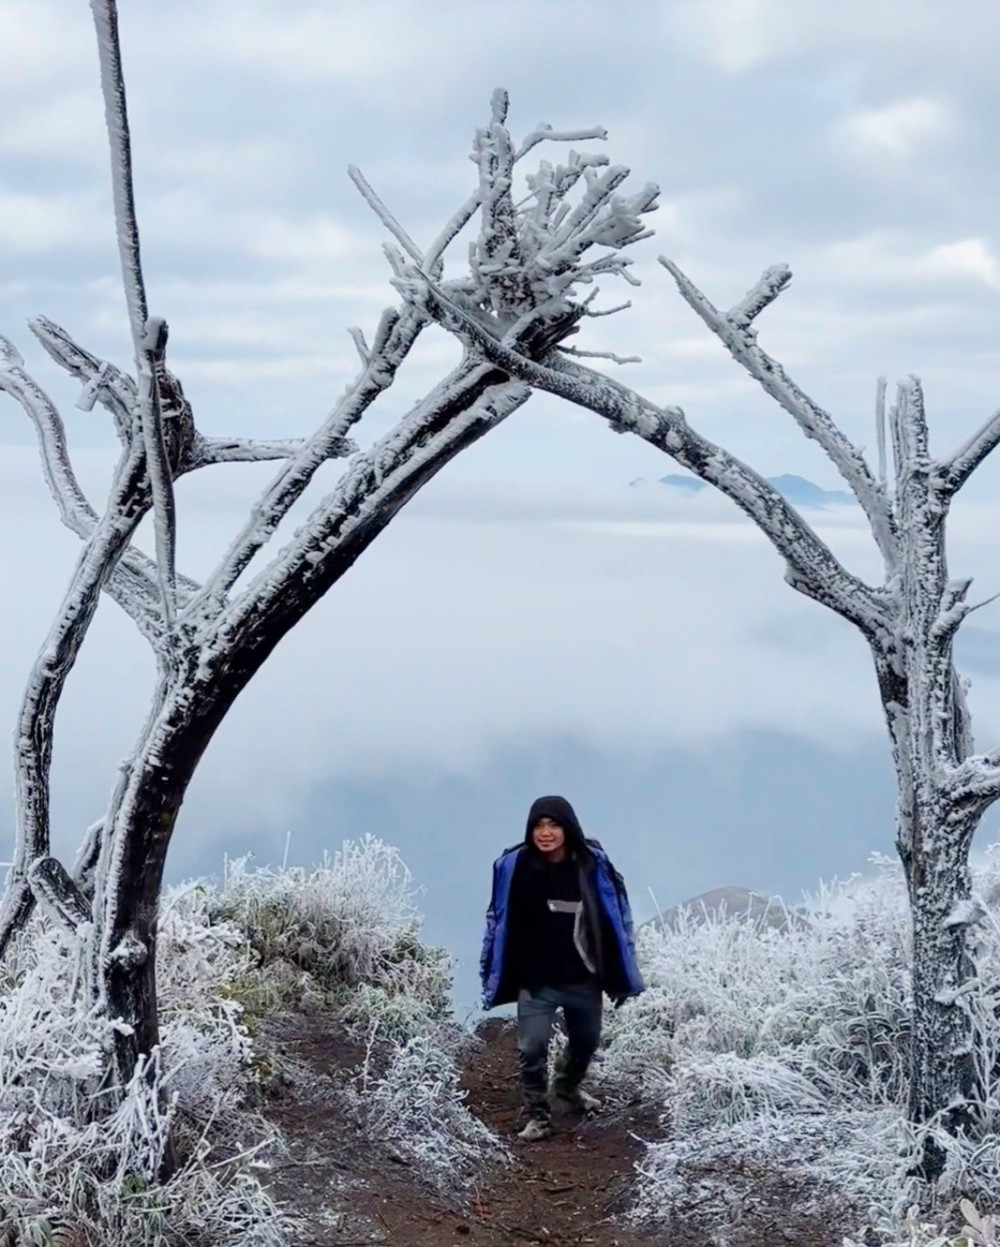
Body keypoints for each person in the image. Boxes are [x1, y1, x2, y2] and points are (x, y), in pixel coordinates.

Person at [479, 794, 644, 1141]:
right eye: (538, 824)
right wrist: (491, 963)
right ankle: (539, 1116)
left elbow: (616, 915)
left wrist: (620, 969)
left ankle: (567, 1087)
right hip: (535, 981)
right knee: (531, 1048)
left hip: (583, 978)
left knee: (586, 1042)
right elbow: (497, 918)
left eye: (553, 824)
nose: (545, 832)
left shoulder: (590, 865)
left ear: (568, 828)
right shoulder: (515, 866)